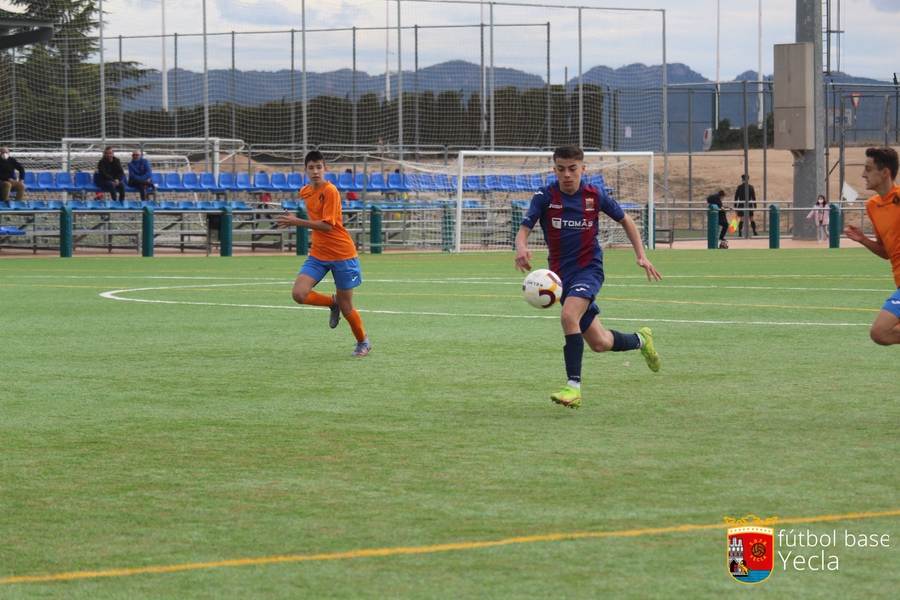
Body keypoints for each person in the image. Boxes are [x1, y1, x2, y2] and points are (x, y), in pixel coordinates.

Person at [514, 145, 662, 409]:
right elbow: (525, 228)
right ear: (554, 170)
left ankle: (573, 388)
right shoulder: (545, 196)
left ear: (583, 168)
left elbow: (626, 220)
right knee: (600, 342)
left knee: (568, 316)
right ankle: (642, 340)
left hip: (589, 269)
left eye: (572, 169)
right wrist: (521, 247)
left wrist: (641, 255)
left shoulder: (595, 195)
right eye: (561, 169)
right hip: (560, 278)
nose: (567, 175)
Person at [275, 150, 371, 356]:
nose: (316, 171)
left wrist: (296, 221)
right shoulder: (305, 192)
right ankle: (331, 302)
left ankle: (363, 342)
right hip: (319, 254)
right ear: (305, 170)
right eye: (311, 167)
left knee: (347, 307)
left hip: (342, 253)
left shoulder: (331, 191)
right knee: (299, 294)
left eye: (319, 167)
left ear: (325, 169)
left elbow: (327, 226)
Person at [844, 146, 900, 346]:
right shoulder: (872, 205)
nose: (863, 174)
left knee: (880, 332)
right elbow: (886, 252)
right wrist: (863, 240)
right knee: (882, 334)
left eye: (868, 169)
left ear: (885, 172)